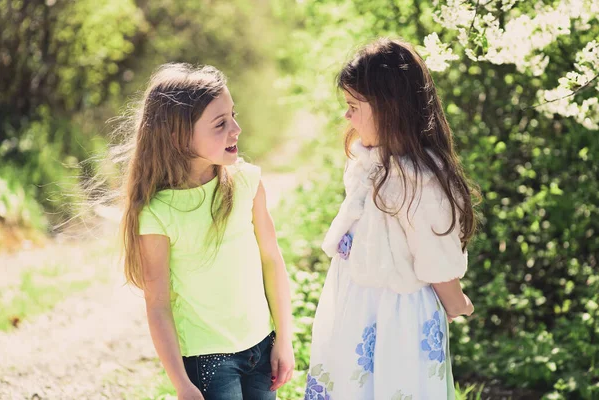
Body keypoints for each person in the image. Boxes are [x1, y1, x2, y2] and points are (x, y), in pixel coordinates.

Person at [305, 38, 478, 400]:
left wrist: (456, 301)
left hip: (398, 318)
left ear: (390, 108)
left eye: (354, 106)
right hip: (354, 305)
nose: (347, 116)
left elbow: (436, 260)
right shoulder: (367, 160)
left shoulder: (421, 182)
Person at [117, 63, 294, 400]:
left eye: (233, 116)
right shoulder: (158, 213)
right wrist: (182, 384)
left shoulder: (247, 183)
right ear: (178, 136)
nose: (236, 129)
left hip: (262, 346)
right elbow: (157, 305)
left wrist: (284, 339)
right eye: (220, 123)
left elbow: (272, 261)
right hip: (208, 359)